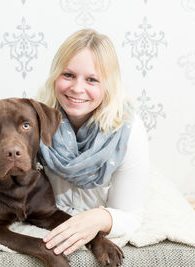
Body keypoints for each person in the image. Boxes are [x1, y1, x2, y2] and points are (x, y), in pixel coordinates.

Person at [36, 28, 149, 256]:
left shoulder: (128, 132)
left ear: (108, 85)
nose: (77, 88)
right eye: (68, 75)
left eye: (92, 80)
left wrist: (98, 218)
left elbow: (131, 215)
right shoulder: (35, 120)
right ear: (55, 76)